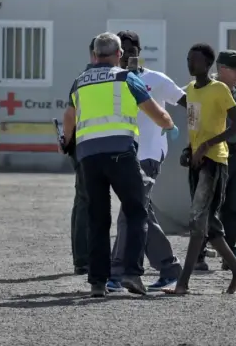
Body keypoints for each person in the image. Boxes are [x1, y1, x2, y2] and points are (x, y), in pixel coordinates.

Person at [61, 32, 175, 298]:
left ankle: (97, 283)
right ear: (119, 54)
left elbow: (69, 117)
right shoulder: (125, 77)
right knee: (136, 212)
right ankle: (132, 274)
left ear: (94, 54)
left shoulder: (79, 81)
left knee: (97, 219)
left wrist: (67, 142)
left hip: (88, 157)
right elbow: (155, 112)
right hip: (121, 154)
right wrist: (169, 124)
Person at [164, 43, 236, 295]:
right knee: (208, 224)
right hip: (198, 162)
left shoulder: (220, 89)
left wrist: (206, 146)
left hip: (215, 162)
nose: (191, 64)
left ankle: (182, 283)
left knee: (198, 220)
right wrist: (190, 150)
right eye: (189, 59)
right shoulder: (190, 90)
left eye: (197, 60)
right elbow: (194, 127)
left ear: (209, 64)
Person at [108, 30, 184, 292]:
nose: (128, 53)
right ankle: (168, 267)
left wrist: (199, 132)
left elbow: (188, 102)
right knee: (140, 212)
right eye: (123, 48)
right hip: (123, 155)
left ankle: (118, 272)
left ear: (139, 51)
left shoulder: (156, 80)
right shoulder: (114, 81)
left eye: (132, 48)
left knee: (130, 213)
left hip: (149, 155)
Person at [194, 50, 236, 271]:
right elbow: (197, 121)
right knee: (209, 206)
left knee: (233, 206)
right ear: (222, 69)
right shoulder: (208, 89)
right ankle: (198, 255)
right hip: (217, 153)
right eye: (235, 70)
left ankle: (229, 255)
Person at [68, 38, 95, 276]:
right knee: (86, 202)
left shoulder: (81, 80)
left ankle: (83, 259)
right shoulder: (86, 80)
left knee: (84, 202)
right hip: (89, 148)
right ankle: (84, 259)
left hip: (84, 147)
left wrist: (67, 141)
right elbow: (70, 114)